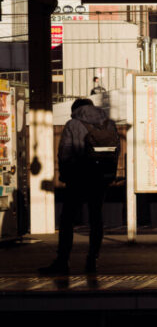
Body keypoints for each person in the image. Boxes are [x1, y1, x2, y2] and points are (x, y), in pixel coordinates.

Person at [39, 98, 120, 275]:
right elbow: (117, 150)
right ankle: (92, 261)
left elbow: (65, 152)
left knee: (67, 221)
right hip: (101, 179)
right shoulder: (109, 123)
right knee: (96, 219)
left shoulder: (73, 124)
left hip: (78, 179)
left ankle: (62, 262)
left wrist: (65, 176)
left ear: (75, 109)